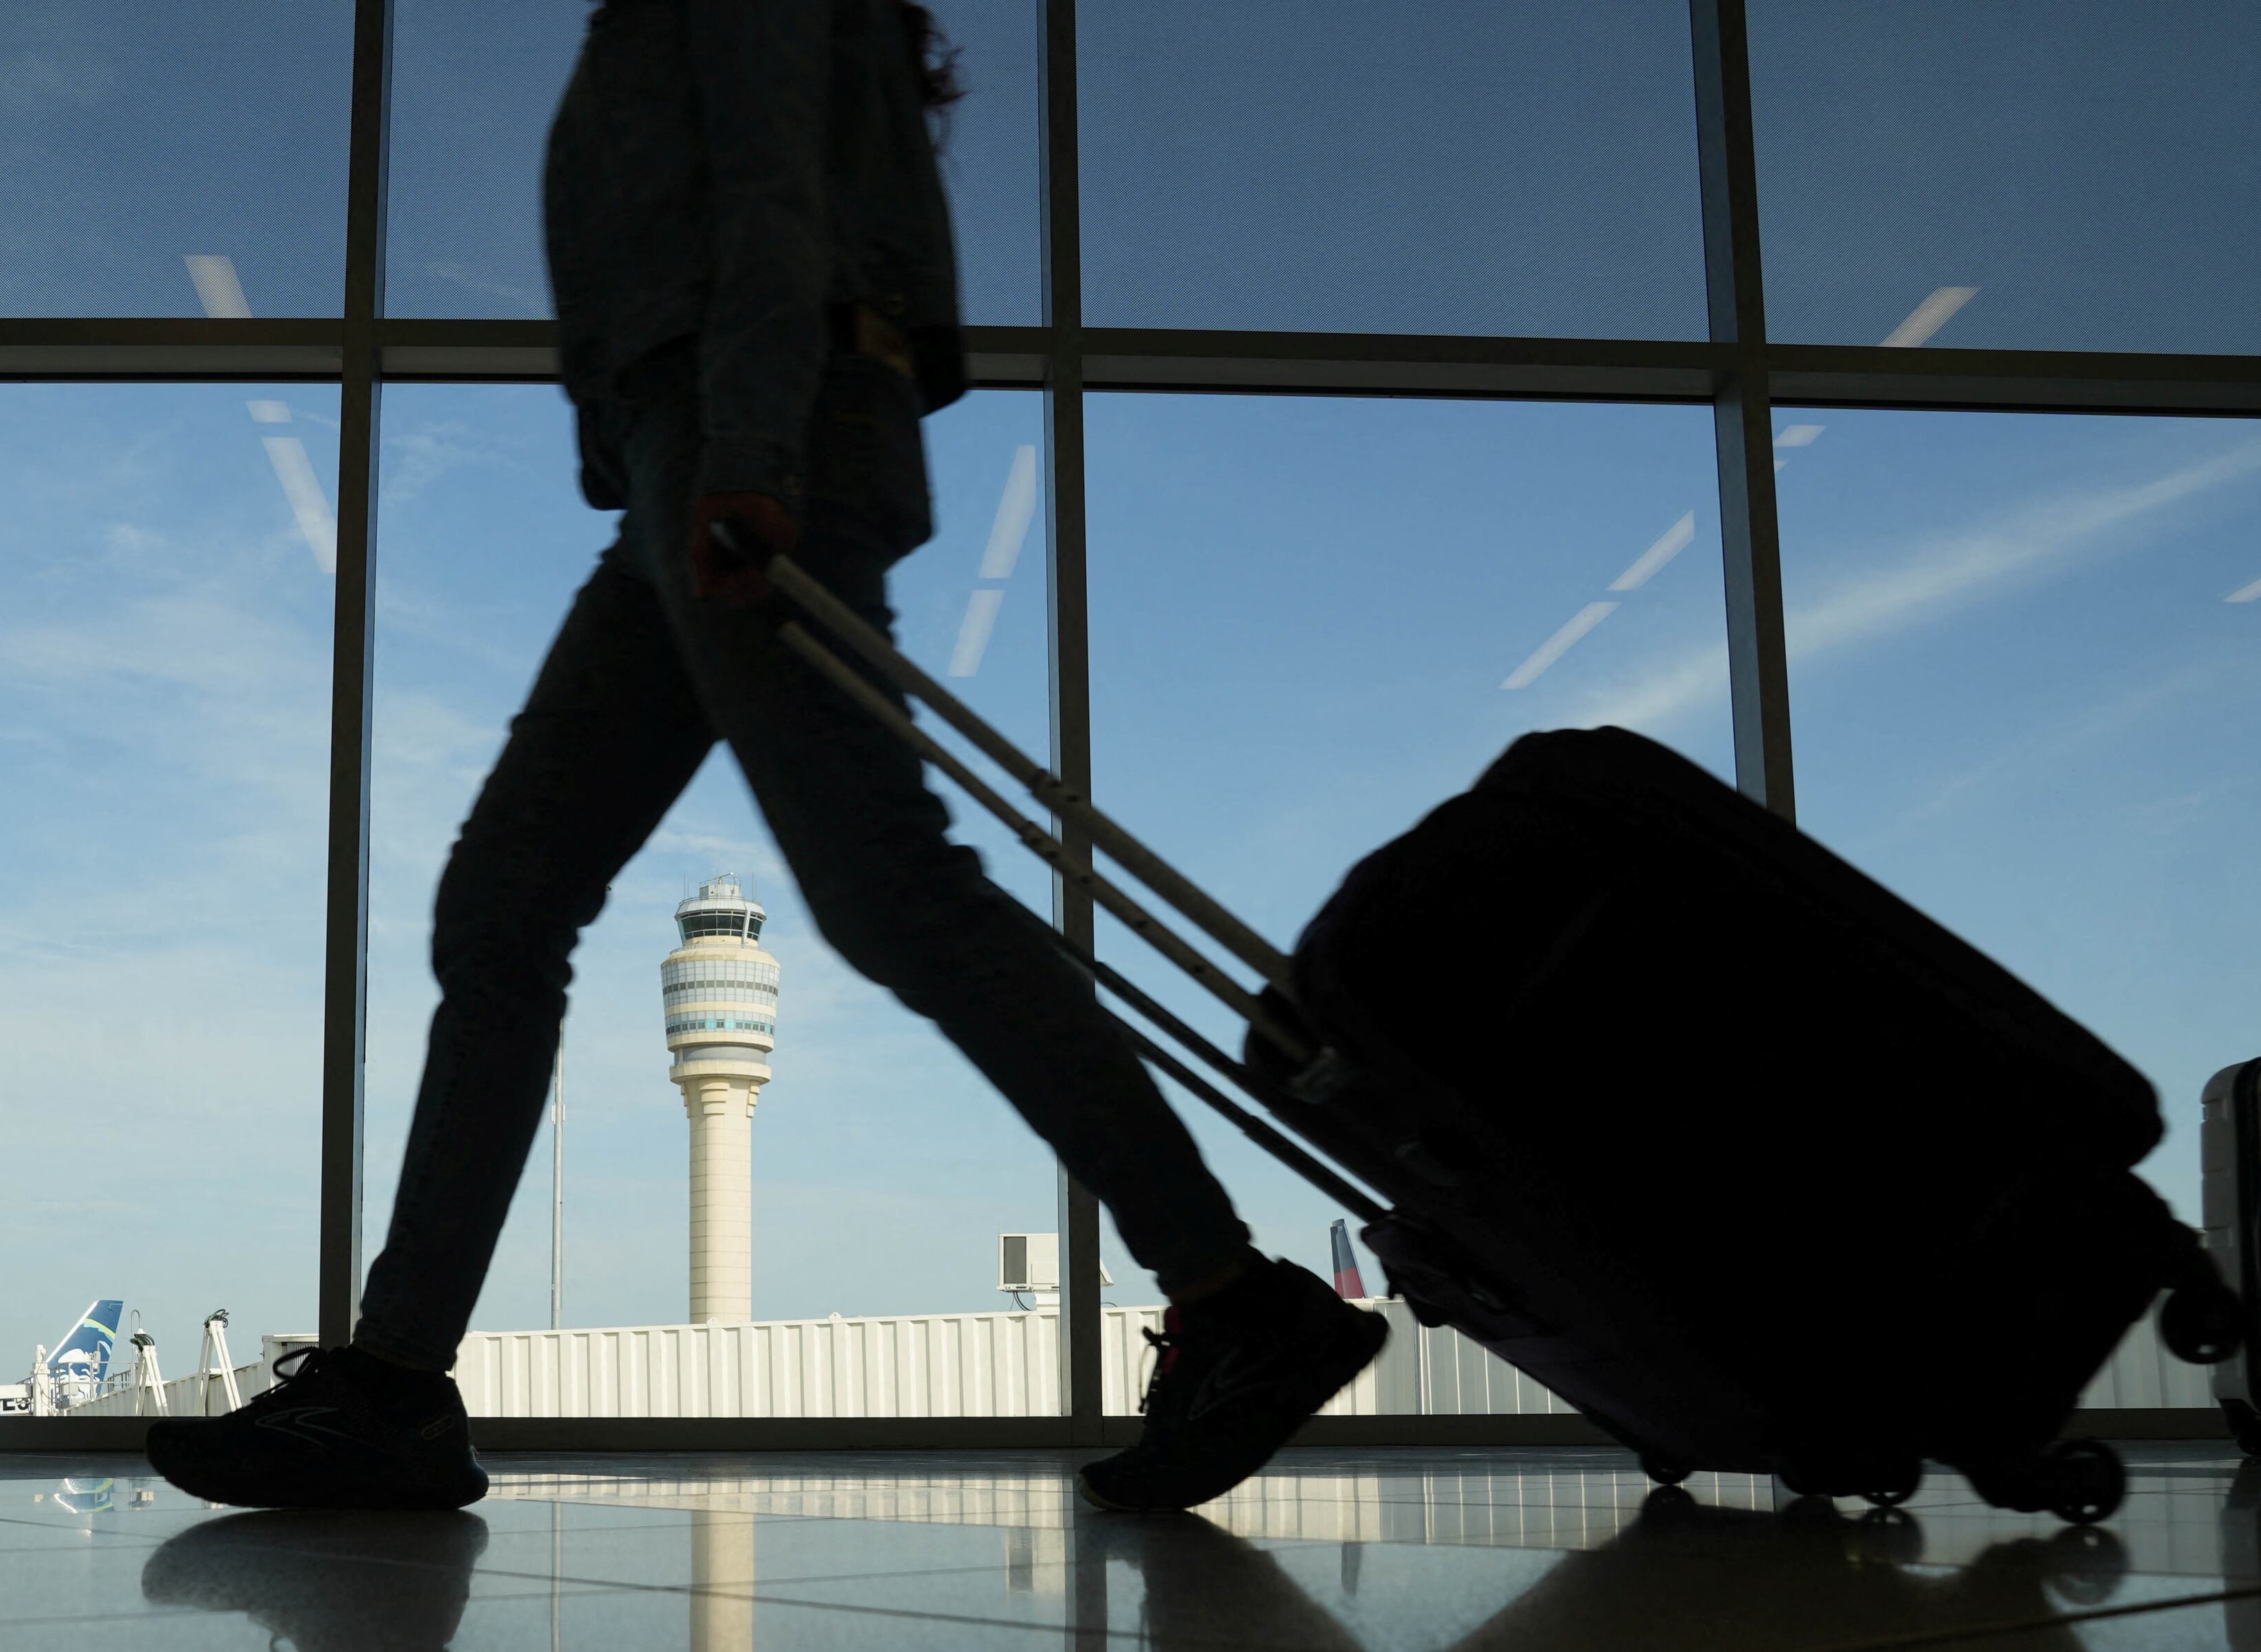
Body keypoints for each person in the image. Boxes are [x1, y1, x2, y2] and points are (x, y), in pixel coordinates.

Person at [148, 0, 1381, 1516]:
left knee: (885, 889)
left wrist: (739, 454)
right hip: (701, 447)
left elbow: (768, 198)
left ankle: (1237, 1298)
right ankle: (394, 1386)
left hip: (751, 428)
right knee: (506, 902)